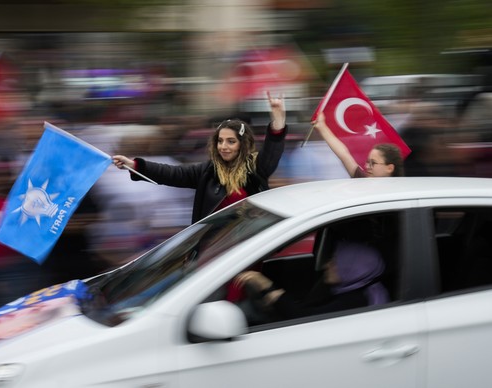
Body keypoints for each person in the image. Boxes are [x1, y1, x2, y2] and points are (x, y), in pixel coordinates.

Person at [112, 91, 287, 224]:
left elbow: (272, 151)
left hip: (249, 249)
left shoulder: (256, 169)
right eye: (220, 141)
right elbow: (171, 173)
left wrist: (278, 120)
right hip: (212, 249)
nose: (223, 147)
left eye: (231, 141)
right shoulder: (207, 172)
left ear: (243, 144)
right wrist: (134, 165)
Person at [234, 222, 390, 321]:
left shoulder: (356, 301)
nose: (326, 265)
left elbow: (302, 318)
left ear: (353, 269)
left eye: (335, 262)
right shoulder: (349, 288)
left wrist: (266, 286)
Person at [312, 111, 404, 178]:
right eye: (367, 162)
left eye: (373, 163)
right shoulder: (363, 181)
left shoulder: (400, 196)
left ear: (389, 168)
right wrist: (322, 127)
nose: (367, 167)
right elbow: (344, 155)